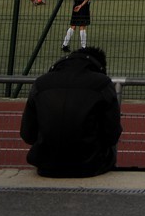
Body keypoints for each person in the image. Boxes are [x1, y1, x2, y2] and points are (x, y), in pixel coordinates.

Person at [21, 44, 122, 177]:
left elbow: (27, 134)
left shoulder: (41, 83)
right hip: (90, 165)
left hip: (47, 165)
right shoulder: (102, 84)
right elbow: (112, 134)